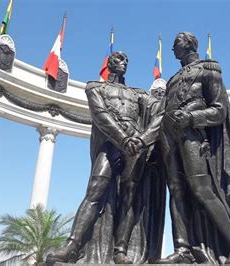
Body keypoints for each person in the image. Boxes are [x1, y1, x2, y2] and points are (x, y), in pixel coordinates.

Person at [46, 51, 164, 265]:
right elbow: (101, 115)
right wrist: (123, 139)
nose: (124, 63)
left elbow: (159, 110)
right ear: (109, 64)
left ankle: (120, 249)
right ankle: (72, 245)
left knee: (130, 197)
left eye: (127, 60)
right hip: (112, 144)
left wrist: (142, 138)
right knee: (95, 191)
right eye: (120, 60)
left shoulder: (137, 93)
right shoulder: (95, 87)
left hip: (135, 146)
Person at [156, 32, 230, 264]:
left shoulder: (209, 68)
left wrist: (191, 118)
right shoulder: (172, 79)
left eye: (176, 44)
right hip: (169, 136)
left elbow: (219, 110)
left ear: (188, 44)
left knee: (202, 189)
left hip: (193, 134)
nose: (172, 49)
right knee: (176, 190)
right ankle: (183, 248)